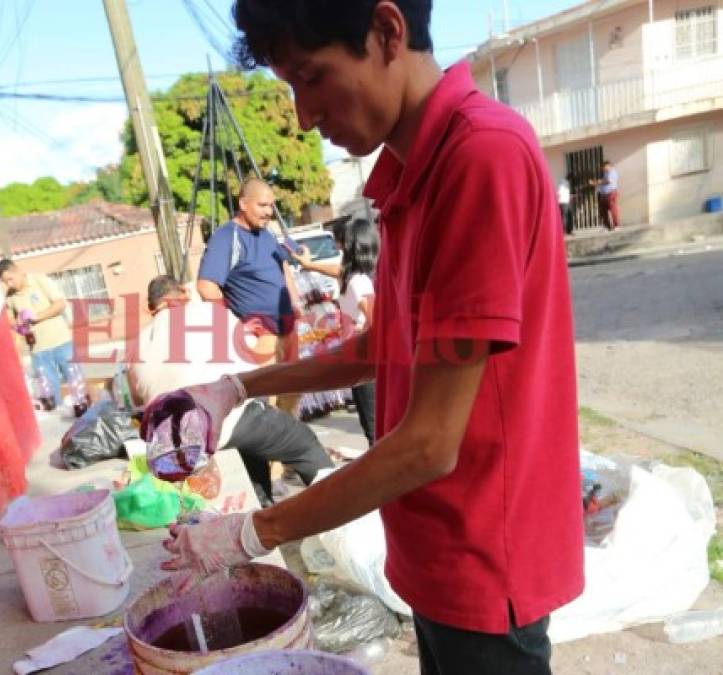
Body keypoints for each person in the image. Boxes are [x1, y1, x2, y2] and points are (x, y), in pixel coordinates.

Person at [147, 3, 583, 674]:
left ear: (386, 31)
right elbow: (379, 350)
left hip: (486, 552)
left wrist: (252, 530)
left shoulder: (480, 156)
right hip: (435, 550)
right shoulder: (409, 177)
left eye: (310, 76)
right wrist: (234, 384)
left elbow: (430, 443)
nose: (301, 114)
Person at [128, 275, 333, 506]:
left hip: (177, 441)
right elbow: (257, 356)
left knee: (252, 446)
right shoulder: (209, 312)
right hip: (224, 419)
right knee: (303, 443)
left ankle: (262, 508)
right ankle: (344, 516)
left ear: (150, 308)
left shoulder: (137, 343)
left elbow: (137, 399)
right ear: (184, 293)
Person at [197, 177, 304, 412]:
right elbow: (206, 285)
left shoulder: (266, 234)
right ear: (244, 204)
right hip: (260, 334)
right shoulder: (226, 237)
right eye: (262, 205)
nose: (268, 212)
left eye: (271, 206)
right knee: (267, 401)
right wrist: (232, 326)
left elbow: (283, 265)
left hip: (286, 327)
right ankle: (270, 448)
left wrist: (295, 303)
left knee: (293, 394)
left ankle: (289, 443)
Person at [291, 218, 379, 446]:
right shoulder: (355, 276)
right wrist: (309, 265)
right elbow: (336, 271)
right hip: (359, 361)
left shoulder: (358, 283)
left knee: (374, 428)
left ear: (352, 246)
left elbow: (376, 320)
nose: (338, 247)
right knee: (372, 424)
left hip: (365, 362)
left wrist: (363, 330)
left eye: (341, 242)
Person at [0, 259, 73, 406]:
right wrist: (17, 324)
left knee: (76, 383)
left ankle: (85, 418)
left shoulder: (39, 280)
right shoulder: (10, 296)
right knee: (50, 394)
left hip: (61, 342)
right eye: (6, 282)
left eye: (10, 279)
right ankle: (58, 419)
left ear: (17, 271)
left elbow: (60, 304)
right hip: (38, 350)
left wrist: (37, 317)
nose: (9, 284)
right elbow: (9, 319)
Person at [592, 160, 620, 231]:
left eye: (604, 167)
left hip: (611, 193)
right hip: (603, 194)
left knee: (613, 210)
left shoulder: (612, 172)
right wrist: (596, 183)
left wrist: (599, 181)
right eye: (603, 168)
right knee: (603, 211)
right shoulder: (606, 173)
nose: (603, 169)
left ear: (608, 166)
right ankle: (607, 226)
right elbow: (603, 182)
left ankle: (616, 226)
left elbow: (608, 181)